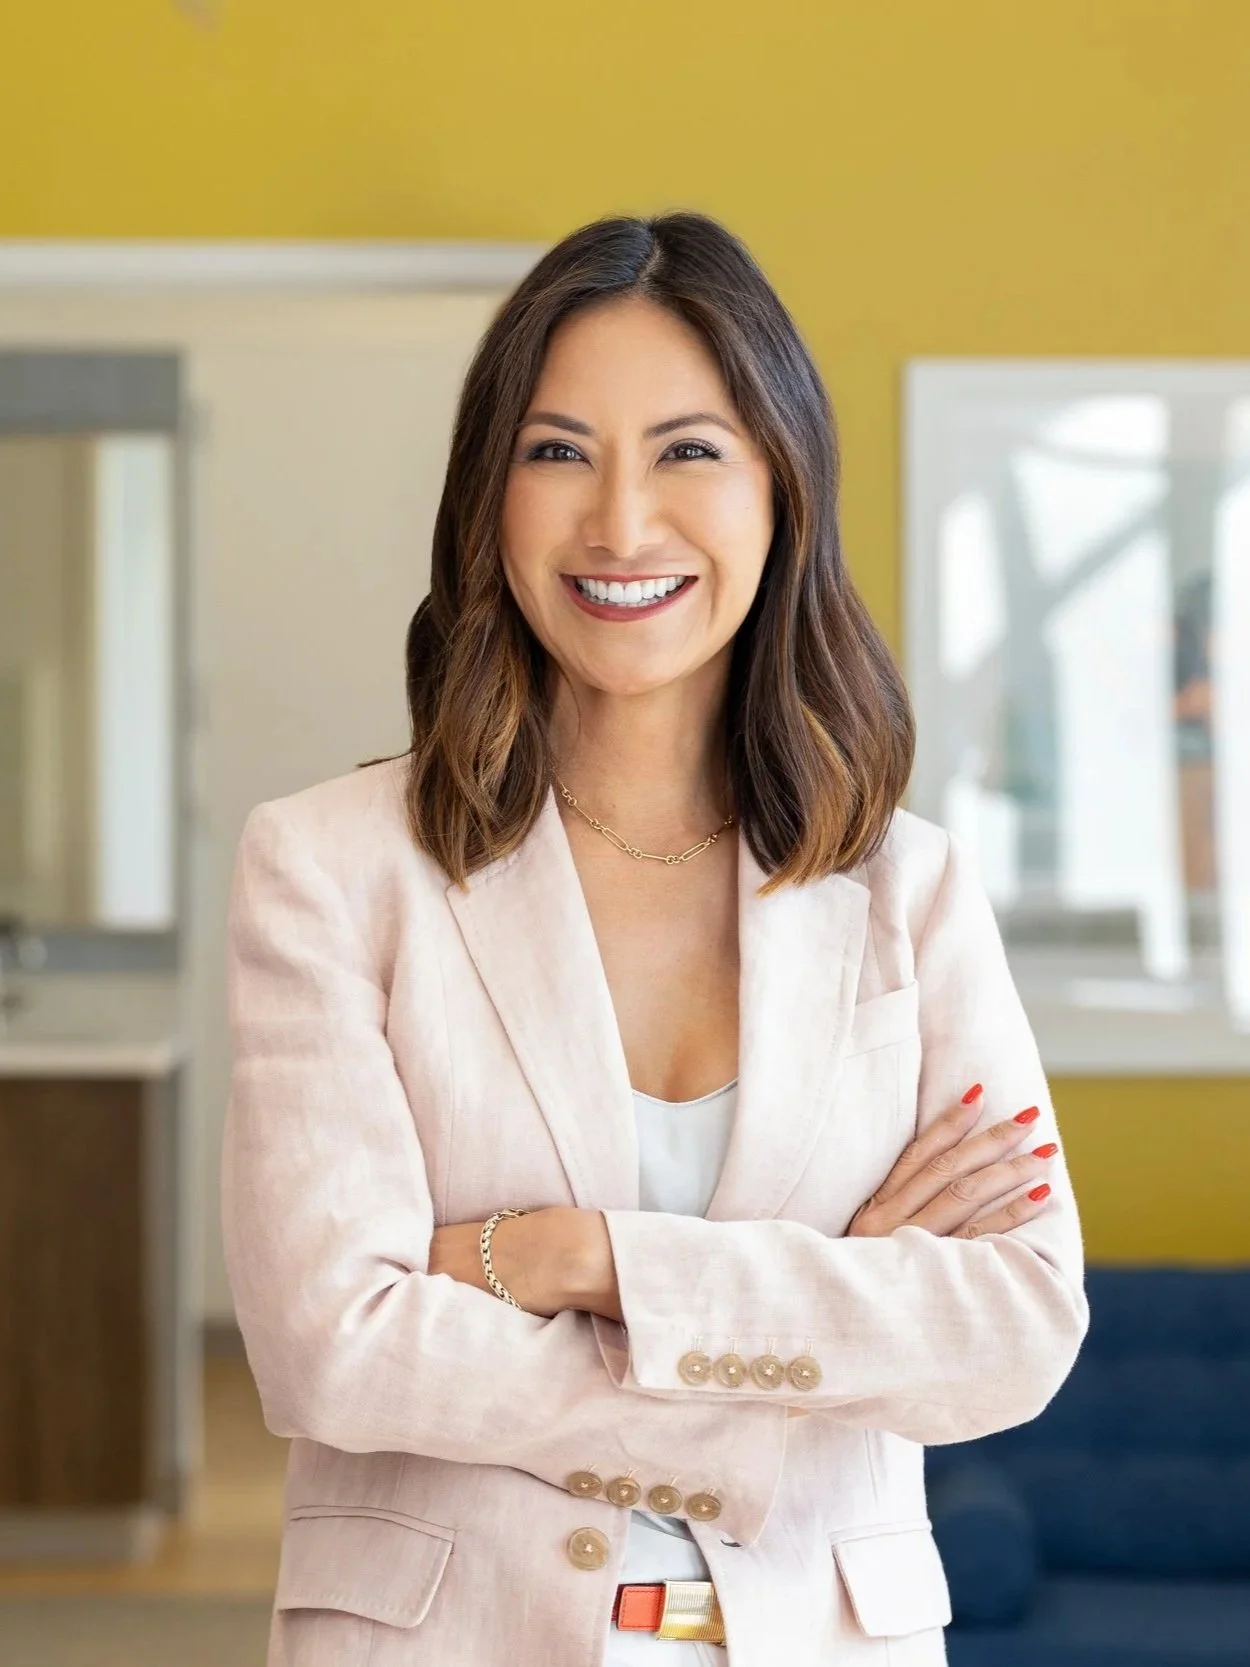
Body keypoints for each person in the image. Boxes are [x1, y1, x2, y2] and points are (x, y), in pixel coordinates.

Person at [221, 212, 1088, 1667]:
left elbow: (1012, 1321)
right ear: (487, 495)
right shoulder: (327, 867)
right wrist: (822, 1317)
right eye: (556, 451)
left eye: (688, 449)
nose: (620, 523)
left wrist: (569, 1256)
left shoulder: (908, 895)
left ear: (778, 489)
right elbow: (336, 1345)